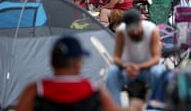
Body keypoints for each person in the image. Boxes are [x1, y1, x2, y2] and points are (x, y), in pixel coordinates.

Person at [15, 36, 143, 111]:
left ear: (52, 62)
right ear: (78, 62)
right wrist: (133, 107)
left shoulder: (35, 90)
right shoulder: (94, 90)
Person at [105, 9, 166, 106]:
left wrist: (138, 67)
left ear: (141, 22)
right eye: (131, 29)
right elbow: (116, 57)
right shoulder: (121, 31)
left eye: (136, 28)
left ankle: (155, 106)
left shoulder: (152, 30)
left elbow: (156, 58)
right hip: (127, 69)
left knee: (159, 72)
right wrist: (126, 65)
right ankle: (114, 106)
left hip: (147, 69)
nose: (135, 32)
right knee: (112, 71)